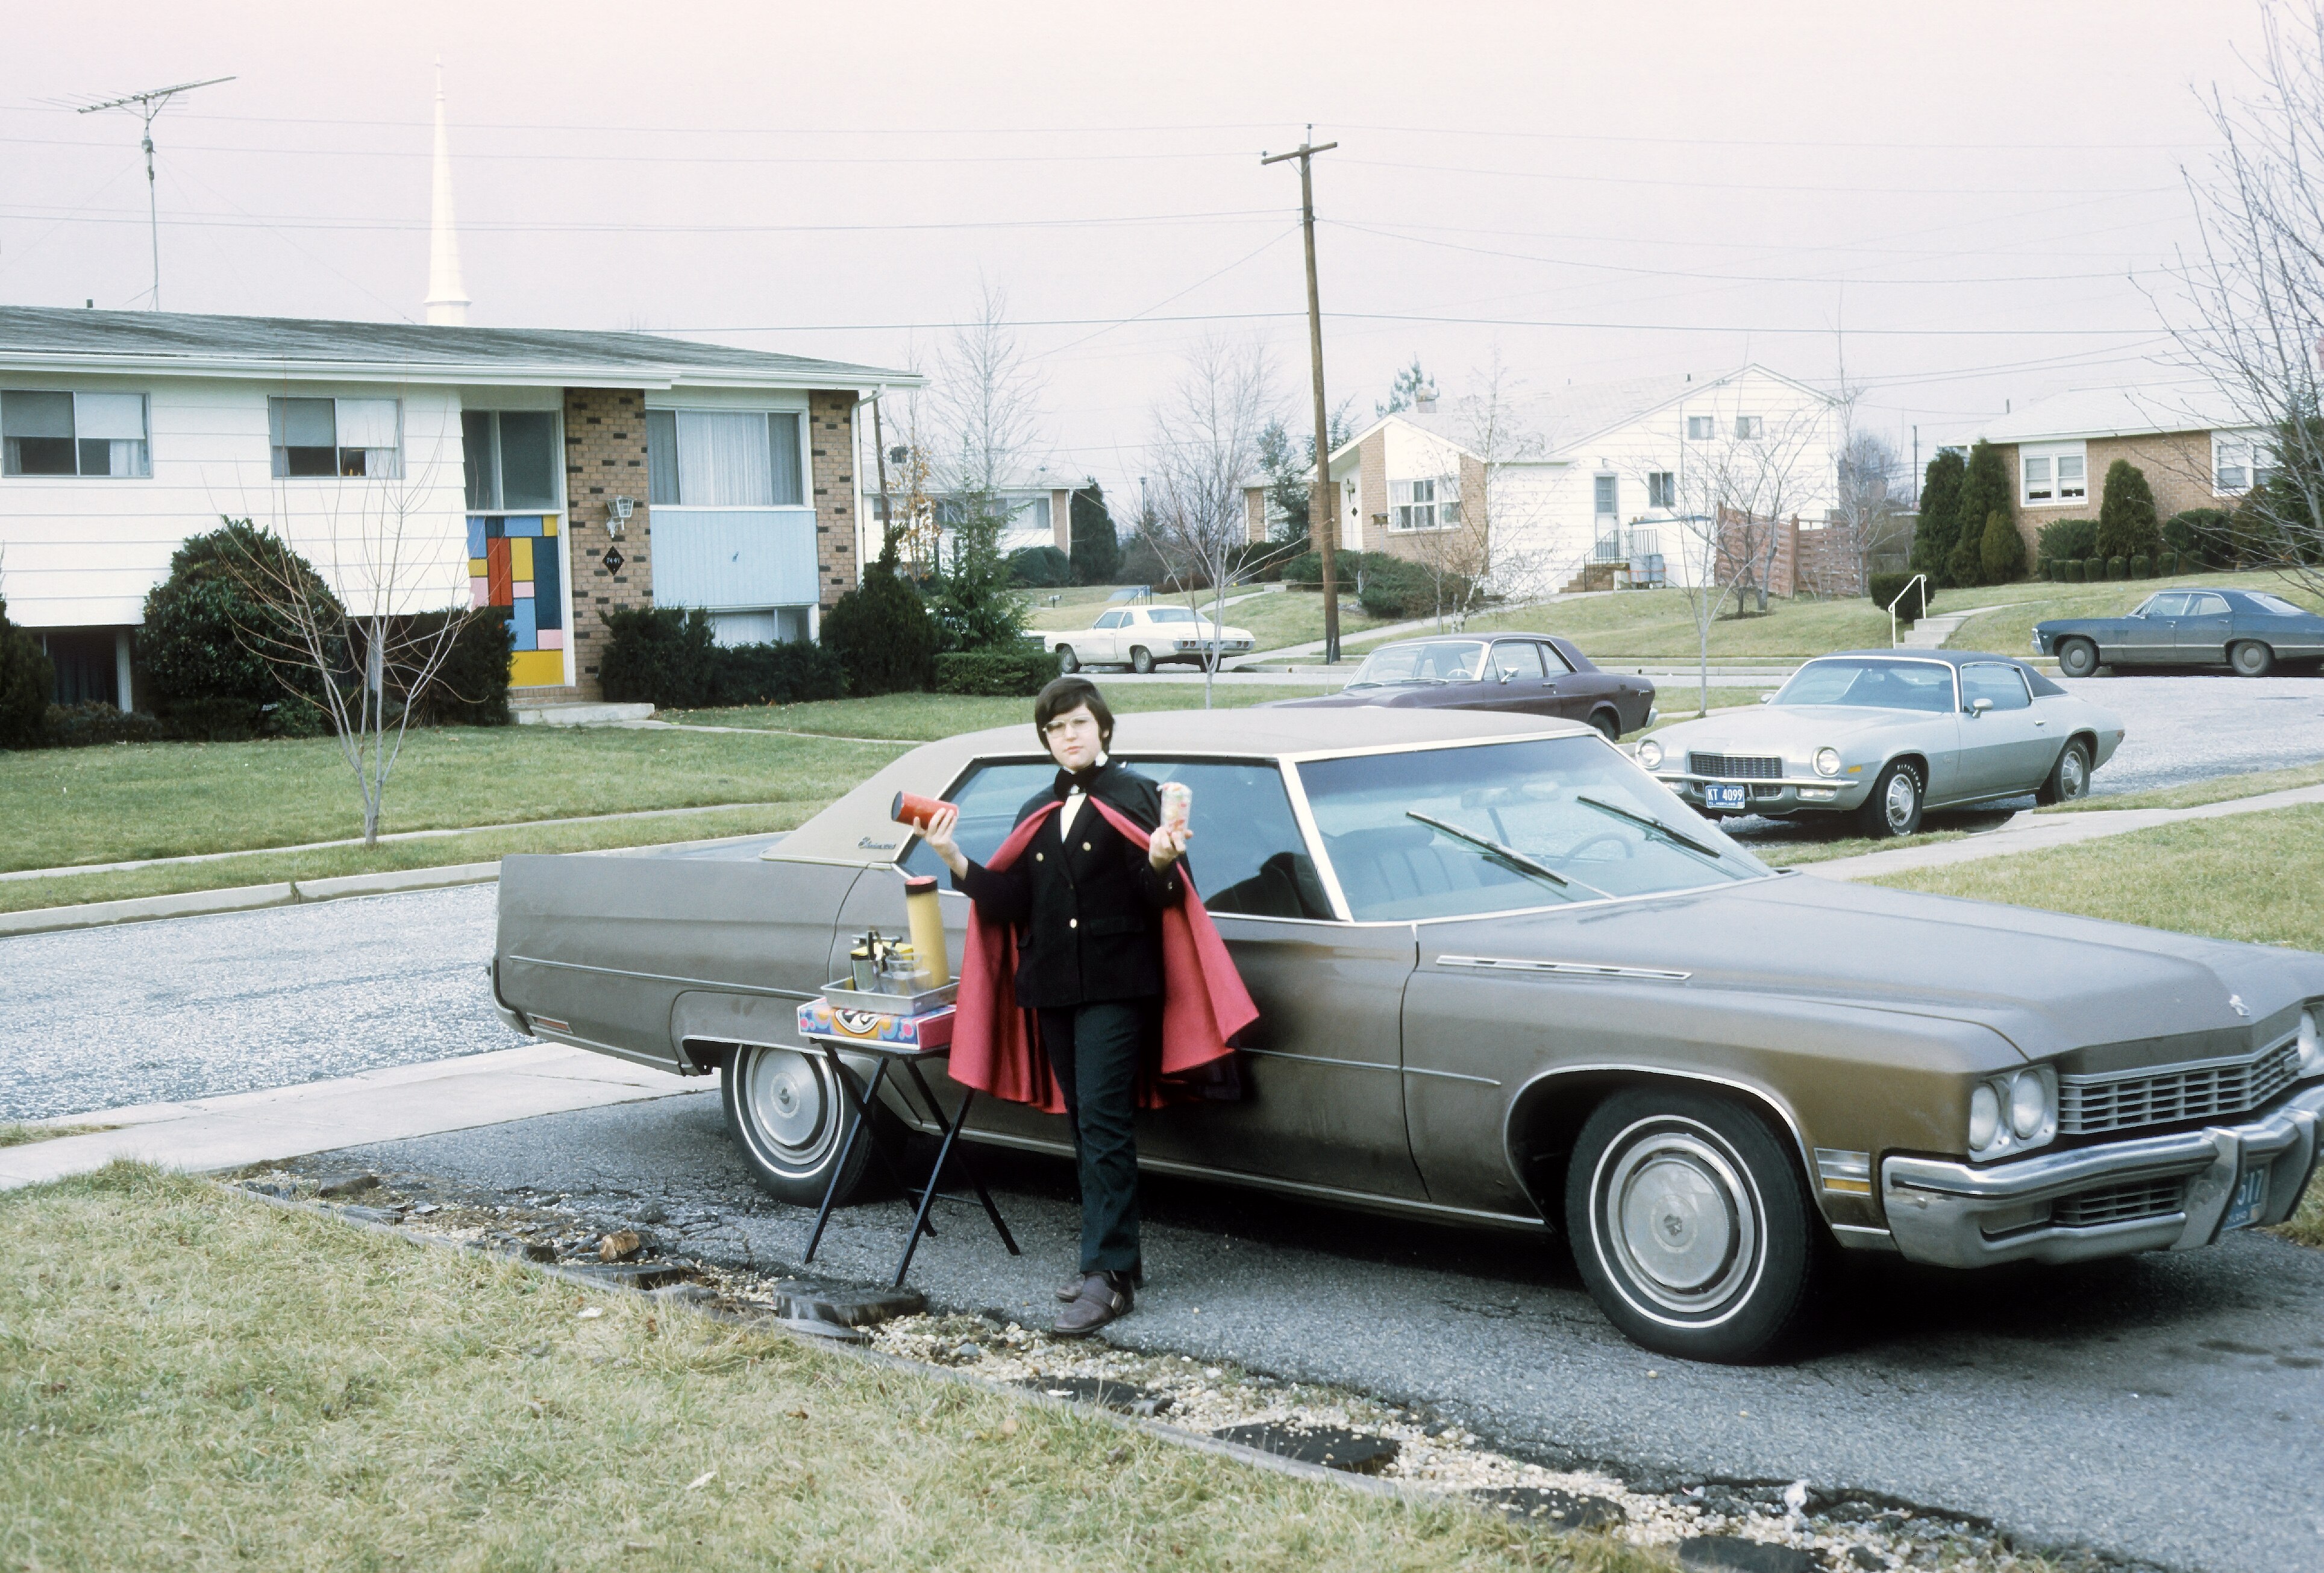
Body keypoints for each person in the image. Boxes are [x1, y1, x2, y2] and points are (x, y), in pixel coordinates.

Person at [922, 676, 1198, 1336]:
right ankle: (1105, 1261)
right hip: (1053, 987)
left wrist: (1161, 860)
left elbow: (1162, 899)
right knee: (1083, 1125)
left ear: (1102, 726)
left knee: (1103, 1123)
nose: (1067, 736)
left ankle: (1110, 1277)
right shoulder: (1037, 809)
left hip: (1116, 984)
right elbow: (1009, 902)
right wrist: (951, 856)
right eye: (1054, 729)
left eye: (1077, 723)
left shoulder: (1138, 798)